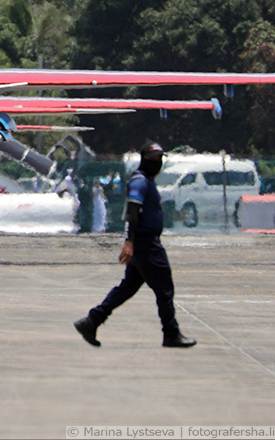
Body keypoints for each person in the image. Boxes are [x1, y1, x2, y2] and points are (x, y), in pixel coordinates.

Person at [74, 143, 196, 348]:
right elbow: (132, 210)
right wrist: (129, 242)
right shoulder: (139, 181)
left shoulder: (146, 180)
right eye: (154, 159)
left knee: (128, 287)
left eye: (160, 159)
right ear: (145, 159)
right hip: (145, 243)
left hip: (143, 242)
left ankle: (92, 321)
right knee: (164, 287)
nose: (158, 163)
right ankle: (171, 333)